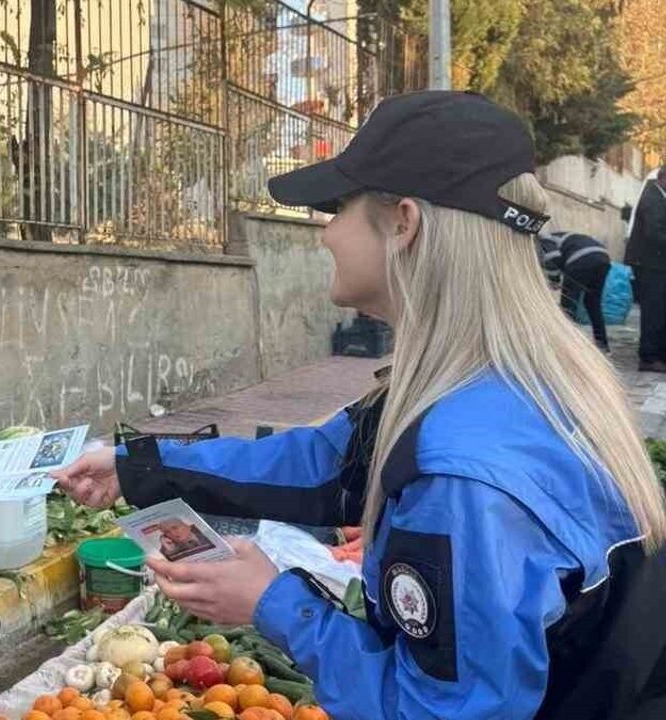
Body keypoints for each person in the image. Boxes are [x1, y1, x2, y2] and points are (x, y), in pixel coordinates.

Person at [53, 92, 666, 719]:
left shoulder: (462, 473)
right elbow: (324, 461)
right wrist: (133, 467)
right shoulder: (498, 379)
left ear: (403, 222)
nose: (325, 232)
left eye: (338, 206)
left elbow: (435, 713)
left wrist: (273, 603)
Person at [538, 230, 611, 351]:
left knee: (568, 305)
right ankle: (602, 345)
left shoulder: (545, 239)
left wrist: (554, 280)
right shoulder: (564, 237)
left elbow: (552, 258)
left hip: (580, 259)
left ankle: (566, 347)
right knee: (593, 304)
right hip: (603, 258)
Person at [626, 168, 666, 372]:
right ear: (662, 179)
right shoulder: (653, 198)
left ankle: (659, 355)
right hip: (650, 264)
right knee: (654, 311)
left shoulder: (659, 196)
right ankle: (649, 358)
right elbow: (654, 233)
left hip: (656, 264)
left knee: (660, 310)